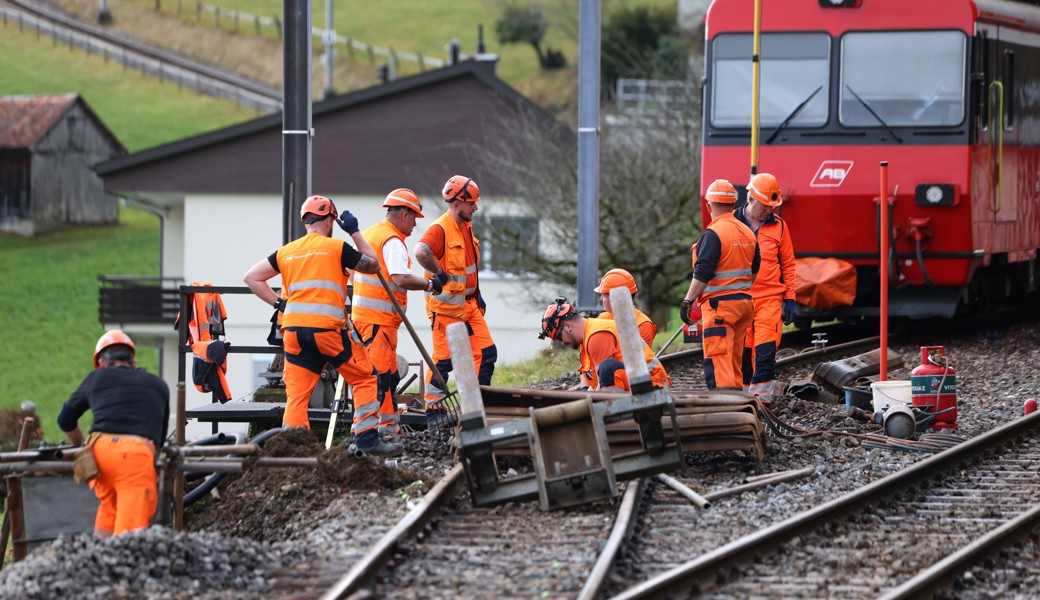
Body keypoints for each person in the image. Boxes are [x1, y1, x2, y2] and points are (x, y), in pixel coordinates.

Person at [243, 195, 402, 457]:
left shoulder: (287, 251)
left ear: (306, 221)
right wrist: (354, 232)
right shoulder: (337, 247)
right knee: (366, 378)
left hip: (294, 333)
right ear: (330, 220)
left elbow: (251, 278)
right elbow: (373, 265)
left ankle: (294, 452)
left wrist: (280, 304)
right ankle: (367, 441)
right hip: (328, 331)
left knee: (297, 395)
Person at [57, 330, 169, 537]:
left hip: (99, 453)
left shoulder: (95, 378)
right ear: (133, 362)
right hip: (135, 455)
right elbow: (160, 438)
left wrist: (80, 444)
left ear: (100, 363)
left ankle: (99, 553)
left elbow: (65, 419)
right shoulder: (157, 384)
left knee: (109, 508)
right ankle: (123, 555)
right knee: (130, 530)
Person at [352, 188, 437, 441]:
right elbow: (400, 277)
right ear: (404, 214)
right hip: (377, 321)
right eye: (414, 218)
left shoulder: (370, 234)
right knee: (376, 380)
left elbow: (352, 273)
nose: (414, 225)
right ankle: (365, 434)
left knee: (388, 377)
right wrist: (429, 284)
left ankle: (388, 429)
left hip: (372, 320)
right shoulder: (392, 240)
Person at [414, 175, 497, 421]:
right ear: (458, 203)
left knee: (487, 354)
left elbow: (468, 266)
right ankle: (434, 412)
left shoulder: (466, 226)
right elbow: (421, 251)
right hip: (446, 310)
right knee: (444, 362)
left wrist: (477, 293)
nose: (476, 208)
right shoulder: (441, 228)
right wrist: (439, 274)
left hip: (469, 306)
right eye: (472, 203)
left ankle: (477, 408)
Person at [680, 179, 760, 390]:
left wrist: (688, 300)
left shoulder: (714, 234)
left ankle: (725, 404)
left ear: (709, 206)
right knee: (734, 361)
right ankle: (738, 402)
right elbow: (754, 271)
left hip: (720, 309)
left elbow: (703, 272)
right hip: (744, 305)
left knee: (719, 362)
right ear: (734, 205)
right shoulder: (748, 233)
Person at [735, 173, 797, 403]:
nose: (769, 210)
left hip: (769, 298)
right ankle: (744, 400)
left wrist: (789, 298)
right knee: (743, 354)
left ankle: (762, 400)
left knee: (765, 351)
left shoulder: (779, 226)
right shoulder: (731, 223)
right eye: (765, 206)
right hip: (740, 299)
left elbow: (788, 264)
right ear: (751, 199)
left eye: (772, 206)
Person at [539, 297, 669, 391]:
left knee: (607, 368)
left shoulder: (596, 335)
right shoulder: (587, 335)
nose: (563, 343)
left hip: (653, 383)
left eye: (559, 337)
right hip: (639, 380)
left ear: (568, 326)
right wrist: (585, 393)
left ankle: (615, 414)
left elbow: (601, 386)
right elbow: (591, 378)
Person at [594, 268, 657, 348]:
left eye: (604, 295)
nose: (601, 298)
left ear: (615, 298)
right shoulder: (603, 318)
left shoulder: (643, 325)